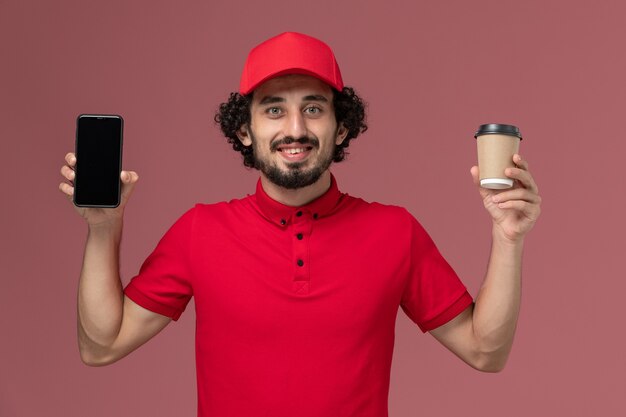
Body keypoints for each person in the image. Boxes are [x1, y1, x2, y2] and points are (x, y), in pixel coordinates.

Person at [58, 32, 541, 417]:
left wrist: (508, 237)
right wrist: (104, 228)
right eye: (274, 109)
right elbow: (101, 347)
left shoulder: (395, 232)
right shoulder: (199, 231)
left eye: (313, 107)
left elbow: (485, 352)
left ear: (341, 126)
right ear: (245, 131)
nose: (295, 129)